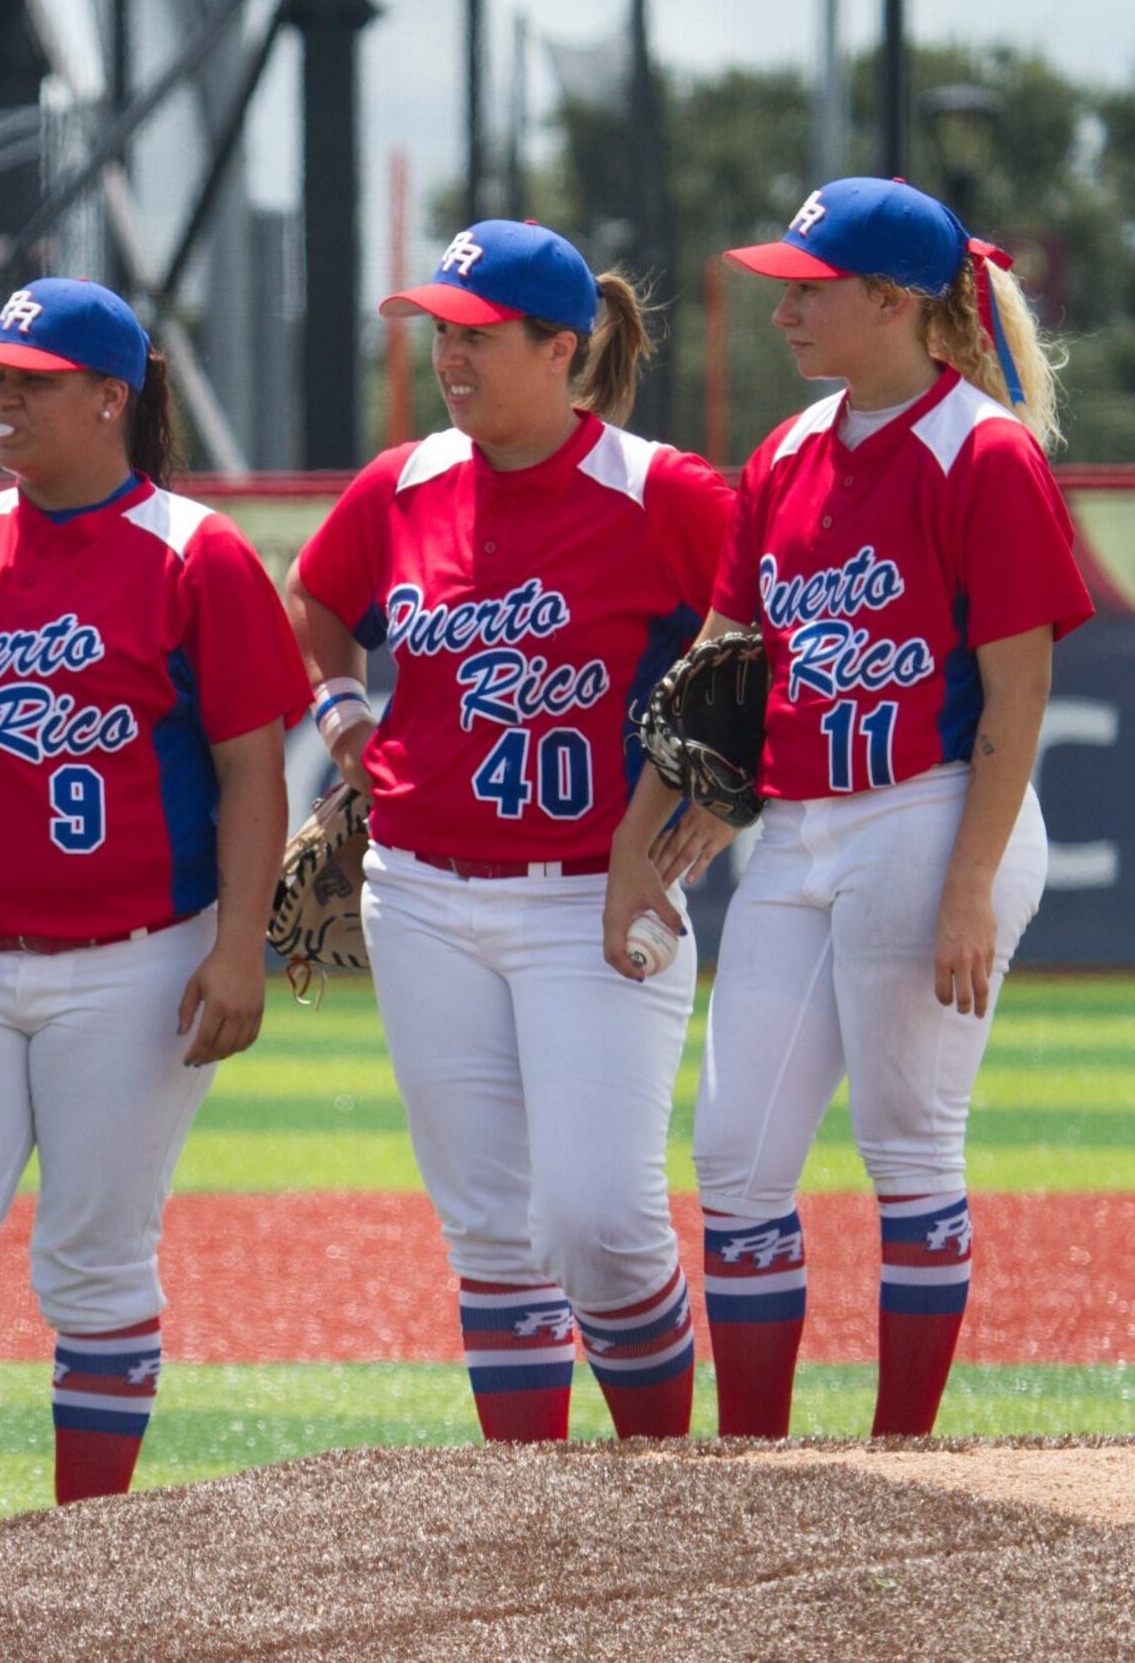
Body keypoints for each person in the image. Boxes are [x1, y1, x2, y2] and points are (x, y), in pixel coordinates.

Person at [0, 279, 299, 1538]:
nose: (2, 398)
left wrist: (239, 945)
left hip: (136, 962)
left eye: (30, 379)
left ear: (109, 397)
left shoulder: (197, 553)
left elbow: (255, 763)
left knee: (94, 1263)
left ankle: (88, 1561)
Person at [655, 177, 1091, 1437]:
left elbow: (1020, 686)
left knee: (906, 1144)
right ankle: (756, 1468)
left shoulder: (981, 450)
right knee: (735, 1156)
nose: (781, 310)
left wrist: (969, 881)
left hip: (932, 808)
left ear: (893, 302)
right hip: (793, 824)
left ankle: (900, 1452)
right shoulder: (786, 453)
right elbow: (730, 648)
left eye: (808, 289)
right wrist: (701, 802)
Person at [284, 222, 731, 1443]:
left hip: (592, 893)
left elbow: (759, 646)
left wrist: (707, 799)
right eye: (441, 331)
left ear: (560, 347)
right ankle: (526, 1521)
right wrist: (341, 719)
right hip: (421, 893)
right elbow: (319, 603)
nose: (450, 356)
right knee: (489, 1227)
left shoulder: (663, 493)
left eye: (478, 334)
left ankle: (661, 1497)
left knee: (598, 1215)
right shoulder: (403, 482)